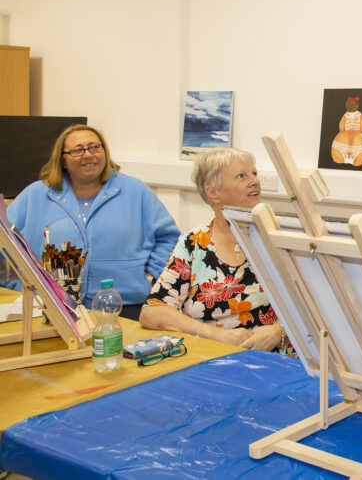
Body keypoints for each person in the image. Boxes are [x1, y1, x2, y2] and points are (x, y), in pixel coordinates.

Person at [8, 124, 179, 320]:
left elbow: (170, 239)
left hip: (123, 305)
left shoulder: (136, 191)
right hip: (51, 306)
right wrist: (18, 281)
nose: (88, 154)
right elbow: (6, 238)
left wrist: (150, 274)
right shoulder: (36, 194)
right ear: (62, 160)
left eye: (95, 147)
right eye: (77, 150)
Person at [140, 148, 290, 354]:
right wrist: (215, 335)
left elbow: (318, 313)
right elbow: (153, 312)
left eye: (254, 174)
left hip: (271, 360)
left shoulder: (280, 240)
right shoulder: (193, 242)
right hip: (209, 358)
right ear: (213, 193)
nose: (254, 181)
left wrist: (279, 332)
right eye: (241, 176)